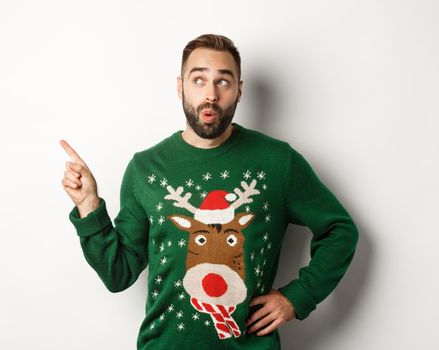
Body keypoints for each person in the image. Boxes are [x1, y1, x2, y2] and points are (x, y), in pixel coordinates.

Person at [60, 34, 358, 349]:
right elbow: (117, 274)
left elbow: (339, 230)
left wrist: (297, 297)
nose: (211, 95)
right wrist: (89, 206)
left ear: (239, 90)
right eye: (199, 80)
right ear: (180, 87)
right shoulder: (145, 169)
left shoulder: (277, 162)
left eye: (224, 82)